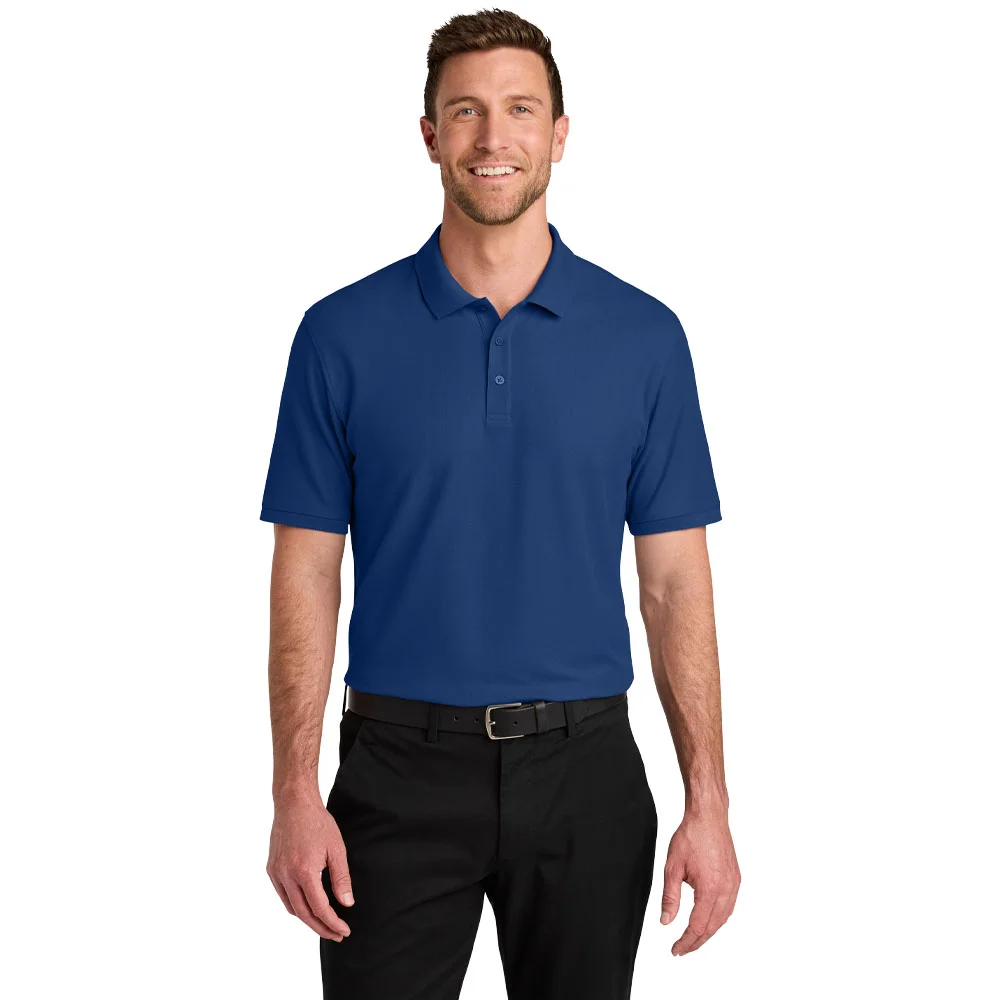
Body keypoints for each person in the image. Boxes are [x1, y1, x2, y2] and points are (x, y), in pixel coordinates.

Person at [260, 9, 740, 998]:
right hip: (393, 771)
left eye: (521, 109)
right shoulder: (338, 335)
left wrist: (710, 800)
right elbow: (306, 571)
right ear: (429, 134)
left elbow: (673, 586)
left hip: (587, 771)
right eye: (466, 110)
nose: (493, 137)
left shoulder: (645, 339)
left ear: (559, 134)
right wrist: (293, 793)